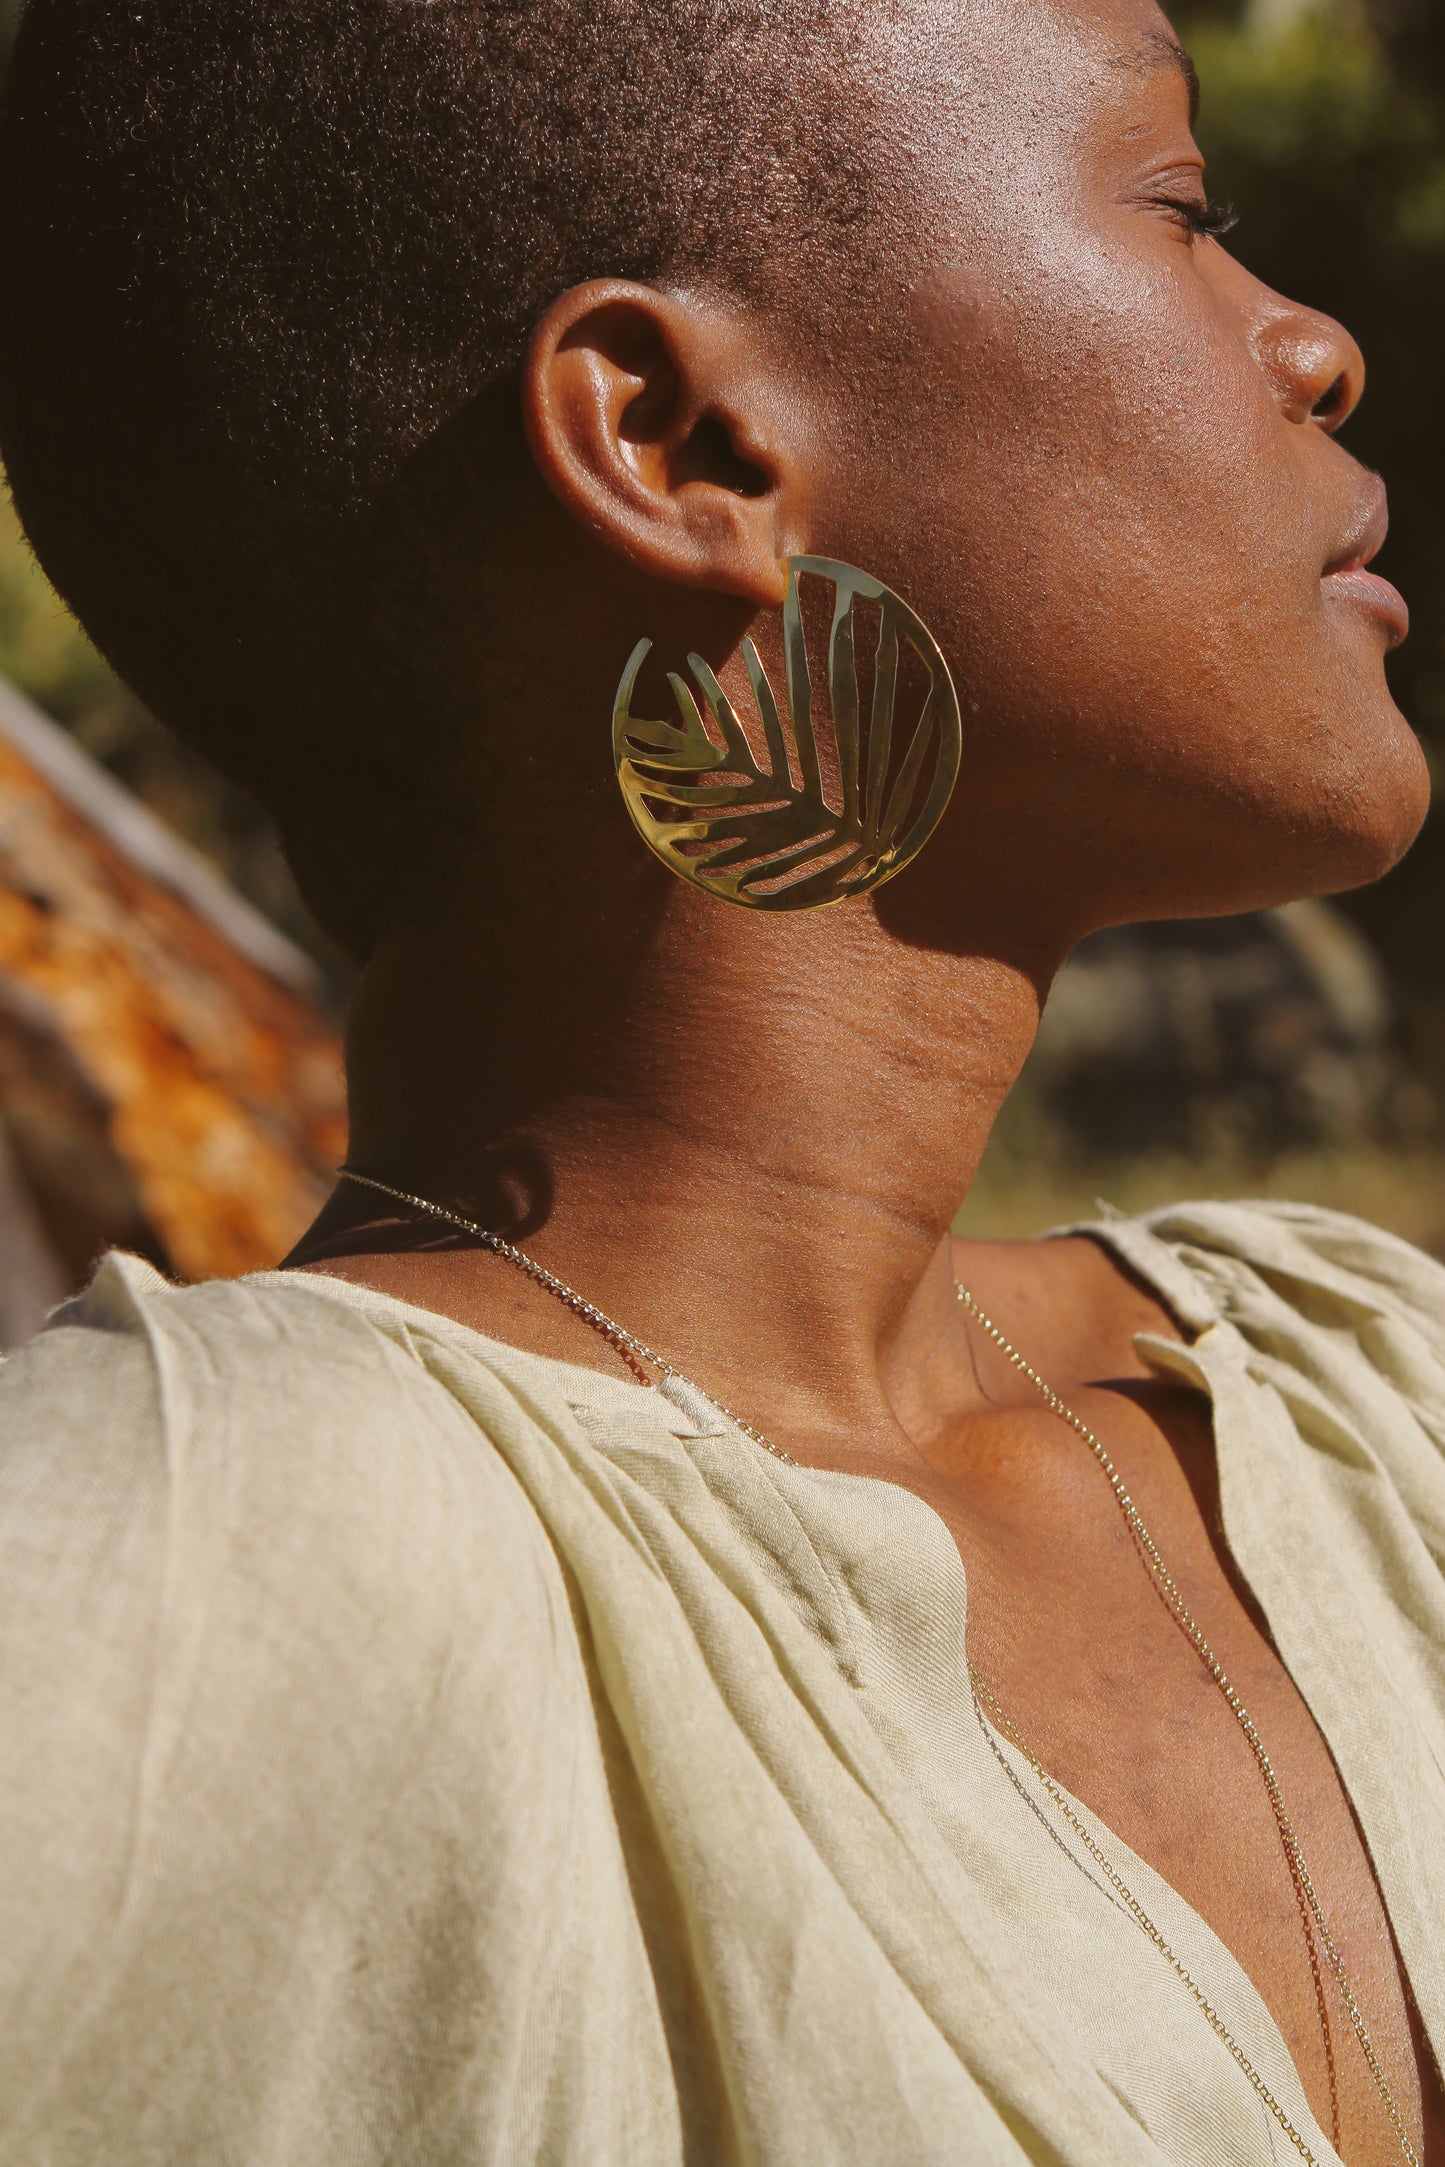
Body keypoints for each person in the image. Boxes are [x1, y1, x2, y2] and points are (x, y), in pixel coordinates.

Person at [0, 0, 1440, 2160]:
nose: (1311, 343)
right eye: (1181, 205)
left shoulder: (1364, 1396)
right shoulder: (216, 1557)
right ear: (683, 445)